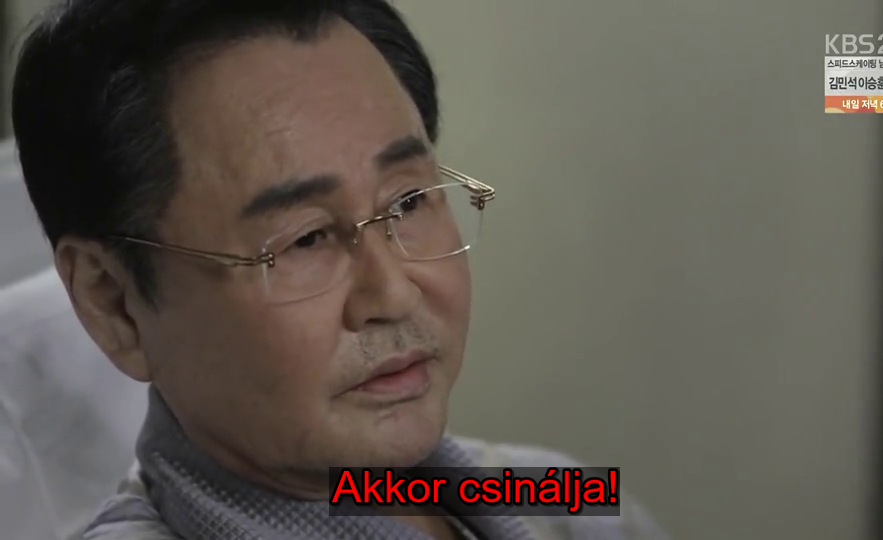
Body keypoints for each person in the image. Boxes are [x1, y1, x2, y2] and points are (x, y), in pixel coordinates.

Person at [11, 1, 667, 539]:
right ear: (113, 303)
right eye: (305, 240)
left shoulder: (564, 499)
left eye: (408, 201)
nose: (394, 293)